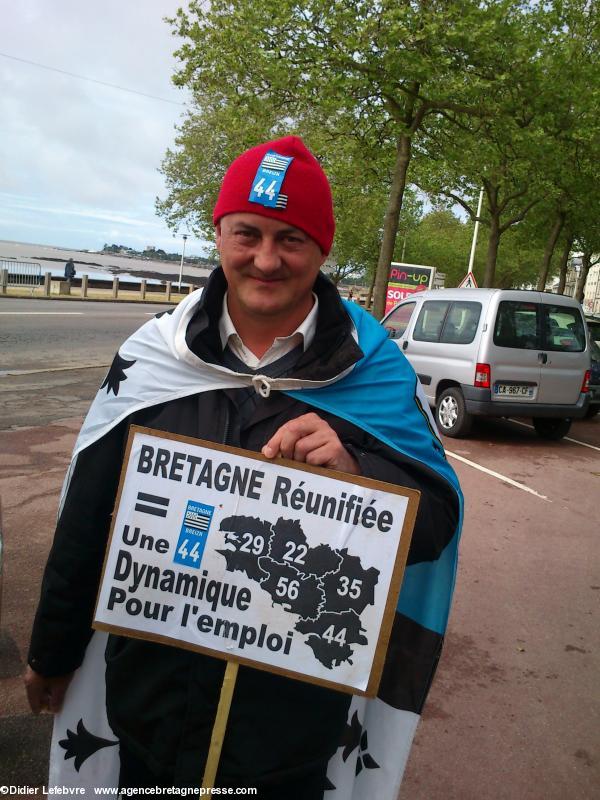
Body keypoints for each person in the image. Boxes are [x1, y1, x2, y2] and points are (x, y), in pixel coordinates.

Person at [25, 136, 462, 798]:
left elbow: (437, 522)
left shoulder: (376, 372)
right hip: (150, 708)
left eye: (290, 239)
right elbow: (87, 517)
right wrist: (52, 651)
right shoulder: (152, 359)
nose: (265, 258)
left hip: (288, 730)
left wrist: (357, 473)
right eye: (247, 233)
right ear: (219, 232)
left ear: (322, 250)